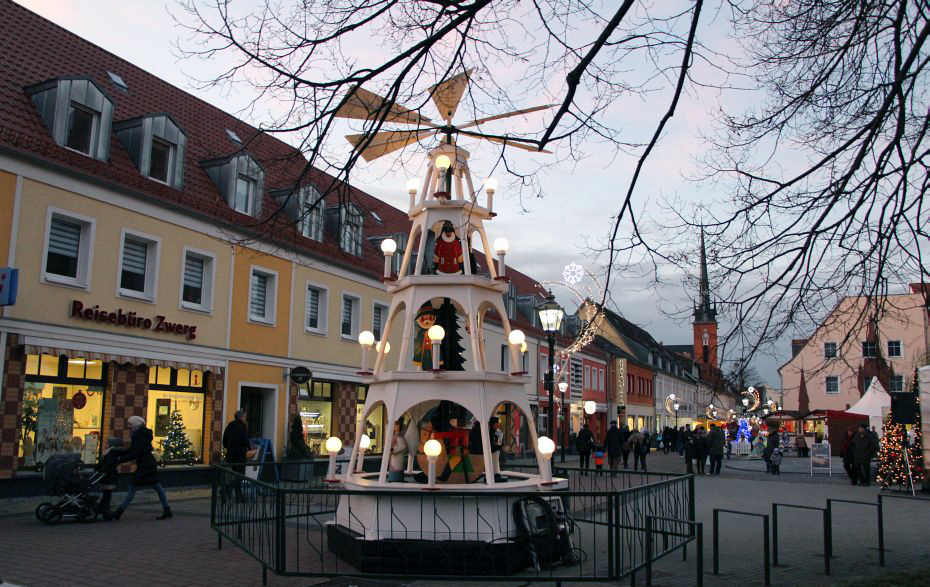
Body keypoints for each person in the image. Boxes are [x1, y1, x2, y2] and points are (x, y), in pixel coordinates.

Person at [112, 416, 171, 520]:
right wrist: (119, 453)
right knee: (157, 486)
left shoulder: (137, 435)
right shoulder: (143, 433)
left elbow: (135, 452)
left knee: (132, 487)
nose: (129, 426)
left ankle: (119, 512)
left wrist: (120, 459)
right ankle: (167, 509)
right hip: (149, 463)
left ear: (135, 424)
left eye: (130, 424)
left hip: (144, 466)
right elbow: (134, 449)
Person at [222, 409, 252, 500]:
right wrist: (250, 448)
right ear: (241, 417)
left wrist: (230, 447)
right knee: (240, 475)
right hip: (240, 455)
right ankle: (229, 489)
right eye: (245, 416)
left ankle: (237, 495)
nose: (245, 418)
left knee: (235, 474)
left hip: (231, 455)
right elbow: (244, 439)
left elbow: (224, 441)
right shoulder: (242, 426)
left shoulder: (230, 426)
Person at [96, 436, 123, 519]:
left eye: (107, 443)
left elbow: (108, 465)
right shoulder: (109, 452)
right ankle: (104, 507)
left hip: (108, 476)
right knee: (107, 493)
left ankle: (104, 508)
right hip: (107, 475)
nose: (105, 444)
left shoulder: (111, 453)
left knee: (107, 493)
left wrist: (101, 470)